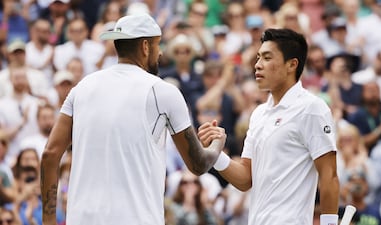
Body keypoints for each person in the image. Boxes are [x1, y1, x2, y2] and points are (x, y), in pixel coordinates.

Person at [40, 13, 226, 225]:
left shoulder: (81, 87)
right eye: (158, 45)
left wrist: (48, 221)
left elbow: (50, 154)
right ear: (145, 47)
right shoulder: (163, 91)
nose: (161, 52)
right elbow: (198, 164)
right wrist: (218, 142)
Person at [198, 28, 340, 225]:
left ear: (292, 65)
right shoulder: (259, 114)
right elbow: (245, 179)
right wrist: (215, 153)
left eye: (267, 58)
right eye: (258, 58)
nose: (257, 65)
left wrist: (330, 224)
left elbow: (329, 174)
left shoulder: (312, 108)